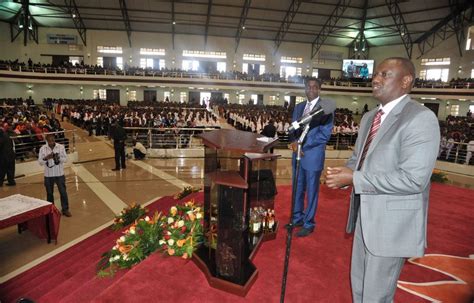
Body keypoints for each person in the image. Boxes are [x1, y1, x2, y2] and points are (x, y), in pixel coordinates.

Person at [326, 57, 440, 302]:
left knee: (376, 296)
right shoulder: (369, 117)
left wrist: (356, 178)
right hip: (364, 217)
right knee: (359, 288)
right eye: (375, 74)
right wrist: (343, 175)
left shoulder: (420, 118)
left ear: (406, 81)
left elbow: (414, 179)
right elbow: (359, 159)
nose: (375, 79)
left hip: (391, 225)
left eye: (384, 74)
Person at [288, 77, 334, 237]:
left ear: (319, 89)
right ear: (305, 89)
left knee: (312, 191)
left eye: (315, 87)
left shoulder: (325, 108)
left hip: (312, 156)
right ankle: (297, 218)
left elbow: (324, 135)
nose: (311, 89)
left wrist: (302, 145)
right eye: (309, 86)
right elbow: (293, 128)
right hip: (297, 156)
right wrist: (294, 141)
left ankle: (309, 223)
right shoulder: (299, 107)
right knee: (297, 189)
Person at [38, 133, 71, 217]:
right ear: (47, 141)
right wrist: (46, 158)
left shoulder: (61, 147)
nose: (52, 142)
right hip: (48, 175)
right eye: (49, 141)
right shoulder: (43, 149)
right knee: (49, 193)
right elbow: (40, 162)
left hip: (59, 173)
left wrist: (58, 157)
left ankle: (65, 209)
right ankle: (51, 210)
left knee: (63, 192)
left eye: (53, 140)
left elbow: (66, 159)